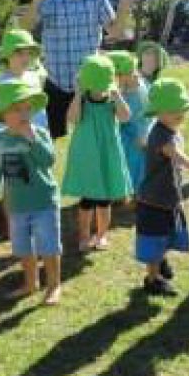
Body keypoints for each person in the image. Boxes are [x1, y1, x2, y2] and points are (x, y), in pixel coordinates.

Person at [21, 0, 136, 138]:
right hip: (56, 82)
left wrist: (125, 4)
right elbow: (25, 28)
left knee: (93, 138)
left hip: (90, 84)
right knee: (51, 140)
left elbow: (115, 32)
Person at [0, 77, 63, 305]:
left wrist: (32, 139)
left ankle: (54, 285)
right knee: (22, 247)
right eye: (17, 109)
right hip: (16, 205)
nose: (24, 114)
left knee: (48, 246)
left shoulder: (39, 134)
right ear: (3, 114)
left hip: (43, 201)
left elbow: (48, 161)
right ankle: (30, 282)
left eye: (27, 108)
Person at [135, 78, 189, 297]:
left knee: (166, 234)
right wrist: (188, 162)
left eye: (181, 108)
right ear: (159, 112)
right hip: (154, 200)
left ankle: (161, 261)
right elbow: (172, 152)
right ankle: (152, 279)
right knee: (154, 239)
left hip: (167, 197)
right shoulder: (161, 134)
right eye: (174, 110)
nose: (180, 113)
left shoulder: (170, 129)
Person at [62, 53, 133, 252]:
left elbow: (126, 117)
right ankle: (84, 236)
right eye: (96, 87)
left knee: (104, 200)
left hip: (107, 154)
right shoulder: (82, 100)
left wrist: (117, 95)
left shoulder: (112, 100)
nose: (100, 91)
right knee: (87, 200)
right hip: (87, 155)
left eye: (103, 86)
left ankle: (101, 235)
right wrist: (78, 94)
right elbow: (72, 119)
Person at [0, 29, 48, 216]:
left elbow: (38, 108)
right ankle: (9, 219)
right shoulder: (2, 83)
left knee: (32, 174)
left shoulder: (33, 77)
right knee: (9, 177)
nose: (25, 57)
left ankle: (28, 209)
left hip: (32, 134)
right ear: (7, 55)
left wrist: (42, 131)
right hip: (11, 138)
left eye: (28, 53)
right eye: (19, 53)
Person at [108, 49, 151, 190]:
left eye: (114, 76)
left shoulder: (140, 92)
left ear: (124, 74)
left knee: (134, 163)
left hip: (136, 136)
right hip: (126, 132)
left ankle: (135, 189)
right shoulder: (126, 87)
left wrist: (143, 135)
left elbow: (147, 116)